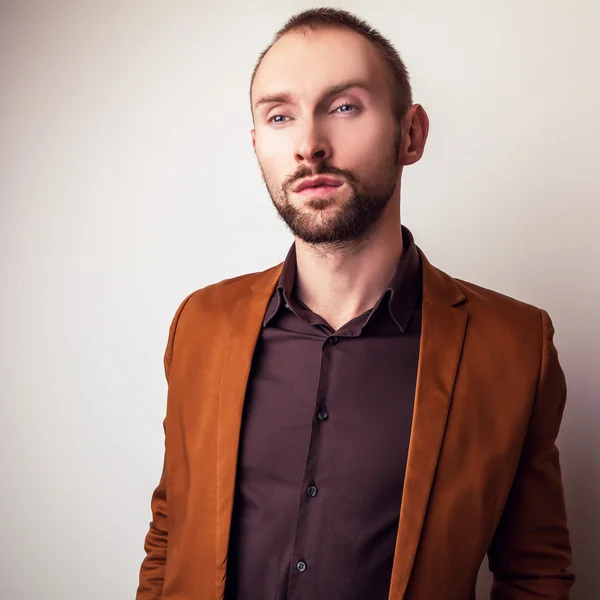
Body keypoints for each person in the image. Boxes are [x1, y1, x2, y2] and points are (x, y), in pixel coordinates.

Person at [136, 7, 575, 600]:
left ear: (411, 134)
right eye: (280, 115)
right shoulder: (200, 325)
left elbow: (534, 574)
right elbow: (170, 532)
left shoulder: (516, 348)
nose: (309, 145)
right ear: (257, 142)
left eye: (344, 107)